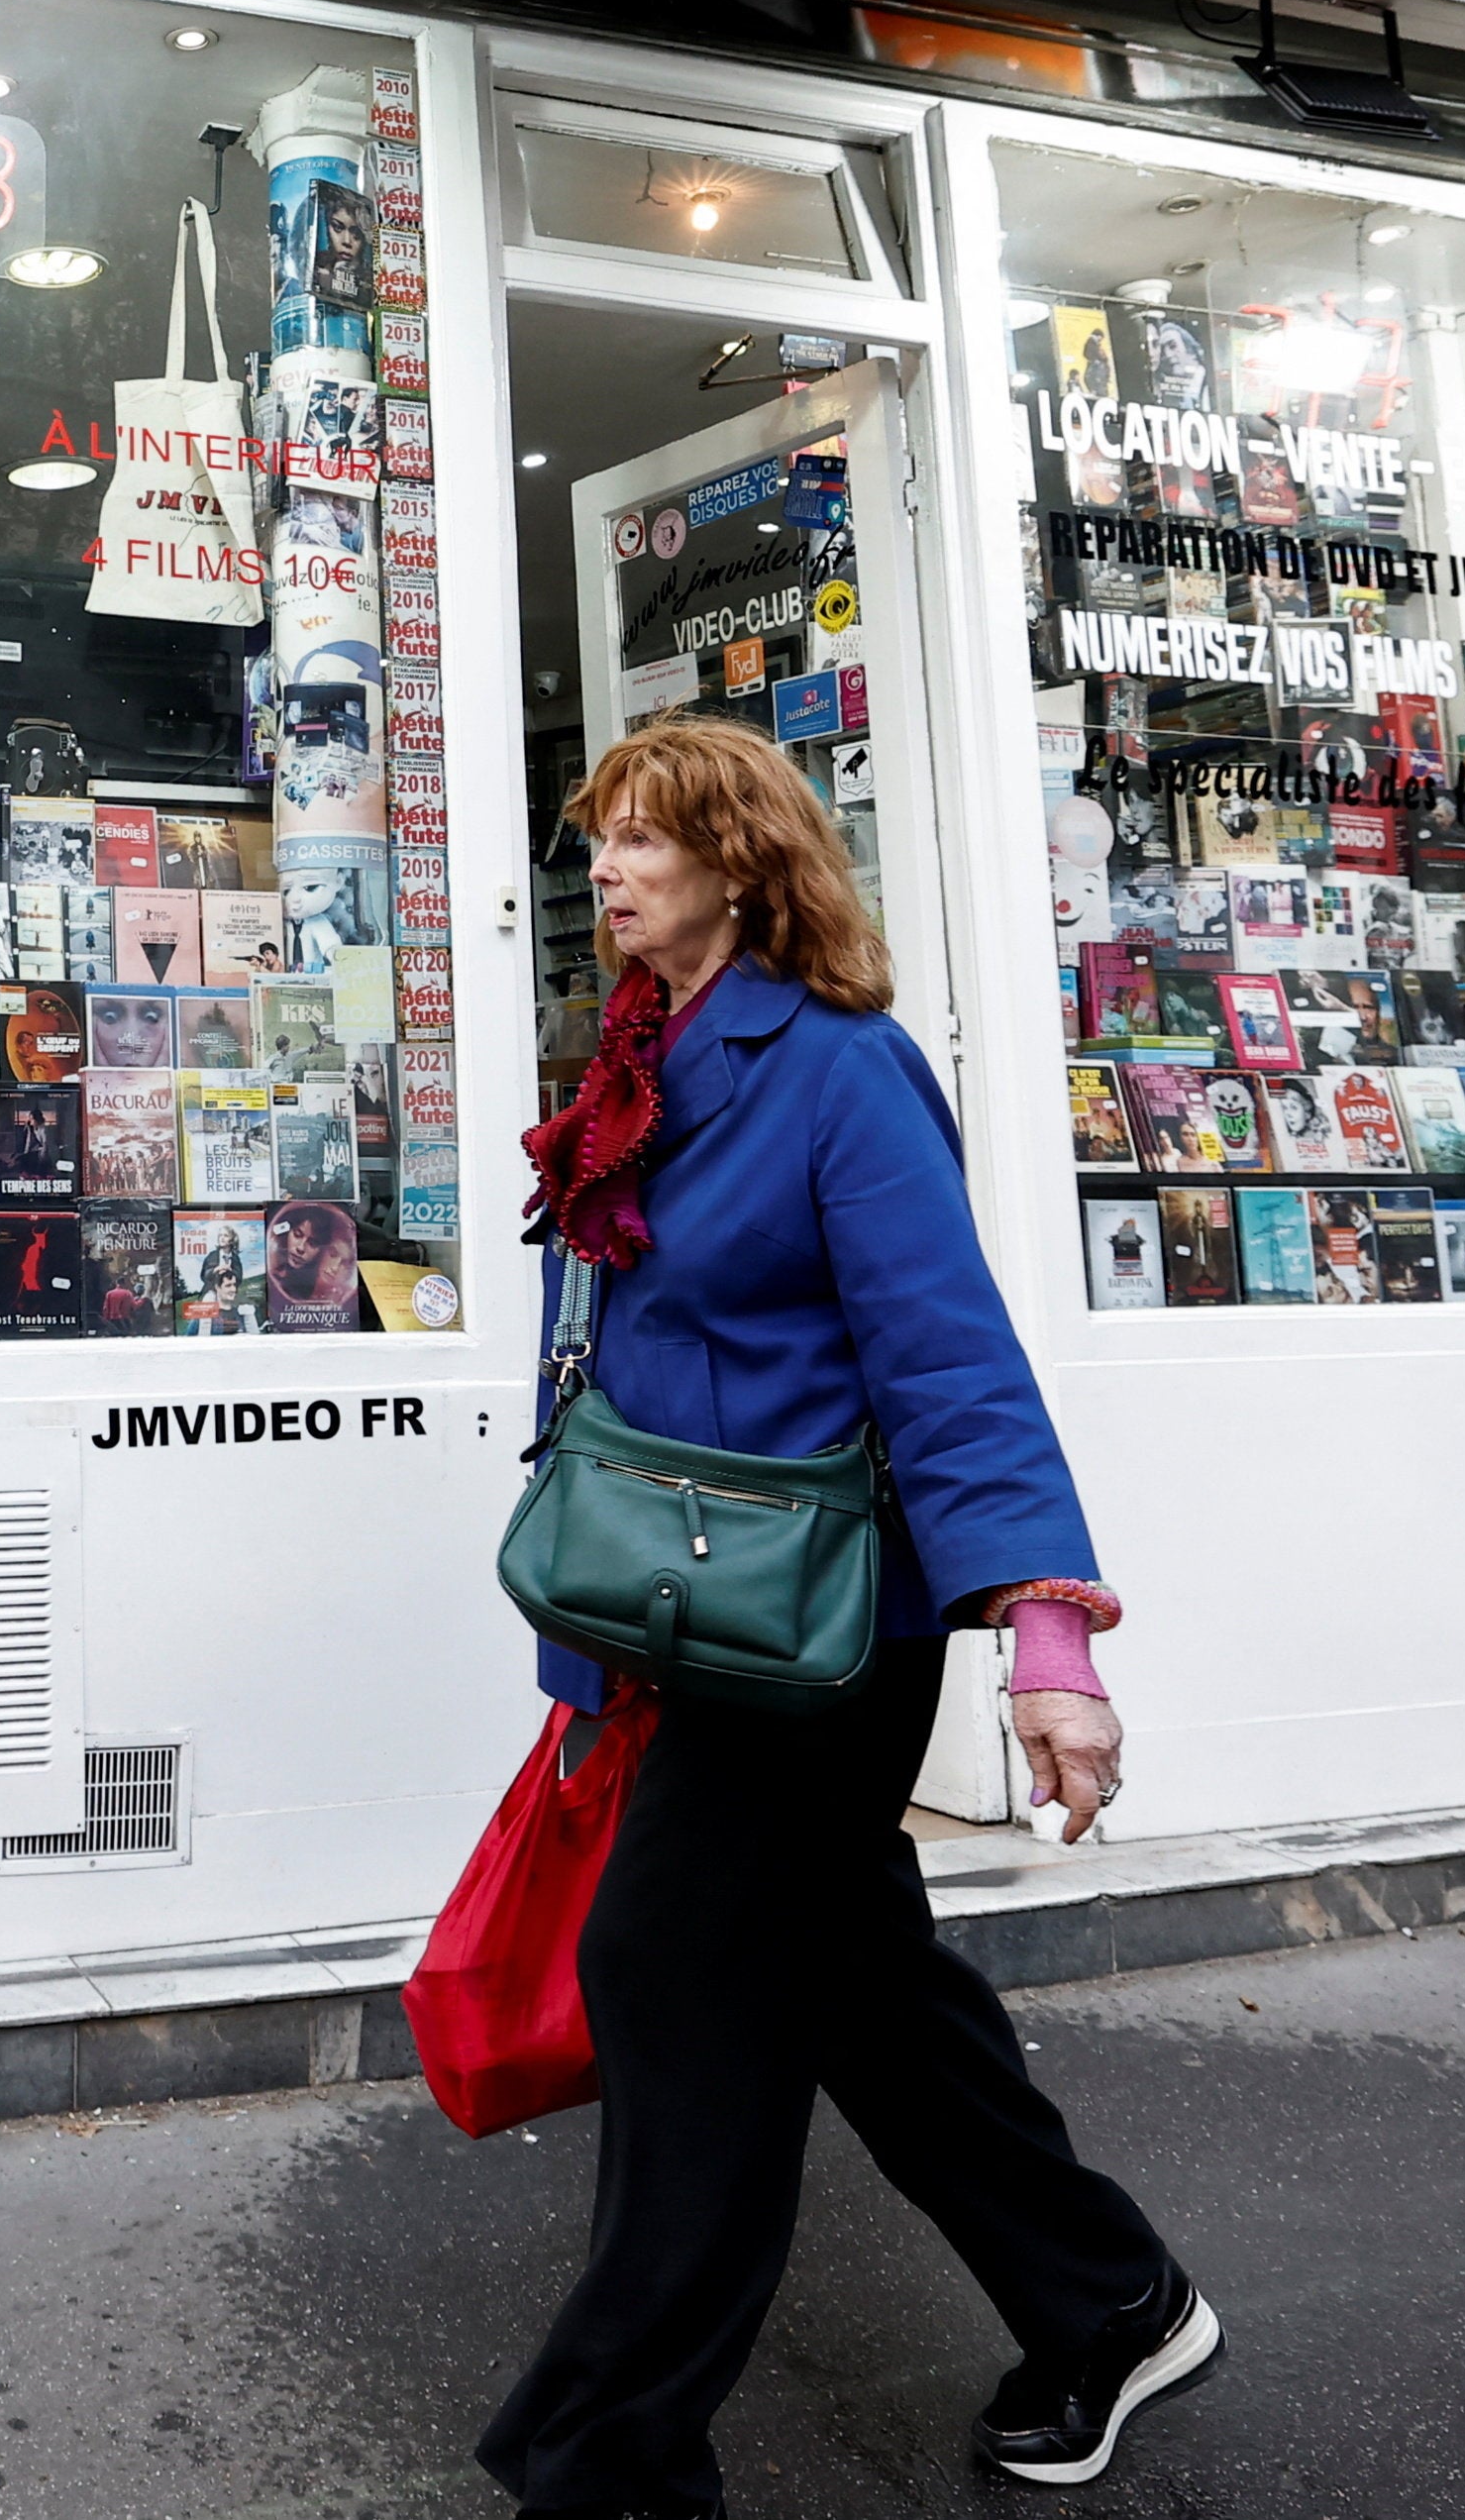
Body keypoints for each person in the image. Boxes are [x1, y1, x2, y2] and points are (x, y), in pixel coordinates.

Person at [477, 716, 1215, 2506]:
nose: (607, 867)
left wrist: (1050, 1649)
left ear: (743, 862)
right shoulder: (636, 1061)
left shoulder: (838, 1069)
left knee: (672, 1970)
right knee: (863, 1987)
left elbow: (950, 1358)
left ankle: (609, 2456)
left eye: (643, 837)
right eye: (598, 838)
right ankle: (1110, 2299)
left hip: (823, 1632)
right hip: (692, 1604)